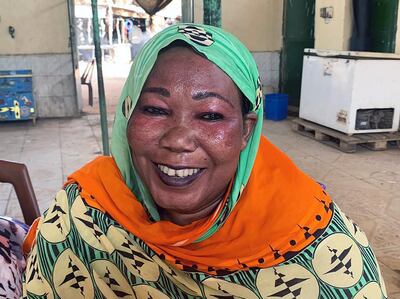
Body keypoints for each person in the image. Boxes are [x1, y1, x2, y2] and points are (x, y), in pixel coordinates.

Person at [5, 24, 386, 298]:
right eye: (154, 109)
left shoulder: (313, 240)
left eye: (210, 116)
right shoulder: (83, 212)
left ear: (246, 131)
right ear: (126, 116)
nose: (178, 140)